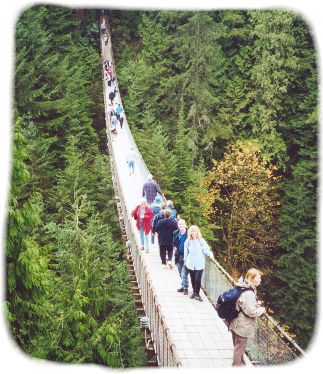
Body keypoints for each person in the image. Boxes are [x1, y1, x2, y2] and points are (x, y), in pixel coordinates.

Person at [229, 268, 265, 366]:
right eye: (259, 277)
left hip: (235, 322)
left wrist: (255, 304)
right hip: (242, 325)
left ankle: (241, 365)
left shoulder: (244, 287)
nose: (261, 279)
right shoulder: (249, 293)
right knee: (239, 348)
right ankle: (236, 367)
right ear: (253, 278)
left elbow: (245, 304)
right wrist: (262, 310)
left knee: (239, 347)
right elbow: (251, 312)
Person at [184, 225, 214, 302]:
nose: (193, 233)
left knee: (197, 279)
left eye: (194, 231)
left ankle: (197, 293)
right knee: (192, 279)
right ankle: (194, 292)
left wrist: (210, 254)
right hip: (191, 263)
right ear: (190, 232)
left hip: (199, 263)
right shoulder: (188, 241)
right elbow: (186, 252)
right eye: (192, 231)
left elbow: (206, 249)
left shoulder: (201, 241)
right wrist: (185, 260)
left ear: (197, 232)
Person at [173, 219, 189, 295]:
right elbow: (175, 244)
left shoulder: (189, 233)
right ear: (178, 225)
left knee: (184, 273)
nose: (181, 226)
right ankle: (183, 286)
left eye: (182, 224)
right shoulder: (176, 233)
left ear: (185, 224)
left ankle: (186, 288)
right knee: (180, 272)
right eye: (179, 224)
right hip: (178, 256)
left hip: (187, 256)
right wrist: (174, 252)